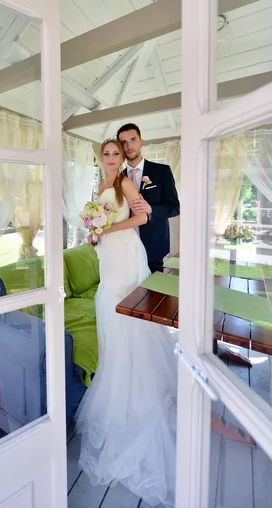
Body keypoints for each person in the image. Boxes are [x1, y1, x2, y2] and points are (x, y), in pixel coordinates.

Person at [75, 139, 177, 508]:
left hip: (124, 254)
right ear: (100, 158)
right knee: (107, 306)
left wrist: (108, 229)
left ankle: (135, 382)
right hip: (106, 257)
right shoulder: (99, 187)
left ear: (123, 158)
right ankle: (115, 369)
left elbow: (142, 218)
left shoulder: (125, 184)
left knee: (124, 309)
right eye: (107, 154)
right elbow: (97, 221)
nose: (112, 158)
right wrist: (93, 233)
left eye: (117, 153)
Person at [117, 123, 180, 272]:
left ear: (141, 142)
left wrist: (151, 209)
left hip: (154, 246)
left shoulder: (162, 171)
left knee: (153, 293)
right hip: (126, 245)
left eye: (133, 140)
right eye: (123, 142)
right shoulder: (118, 178)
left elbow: (175, 208)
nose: (129, 146)